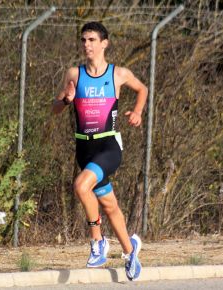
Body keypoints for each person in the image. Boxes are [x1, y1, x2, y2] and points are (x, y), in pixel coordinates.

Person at [52, 21, 148, 281]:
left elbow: (142, 89)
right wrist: (65, 100)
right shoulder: (74, 74)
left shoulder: (118, 74)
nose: (87, 45)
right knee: (109, 204)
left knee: (82, 186)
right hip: (84, 148)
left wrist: (137, 111)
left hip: (108, 146)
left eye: (92, 40)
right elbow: (55, 108)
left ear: (104, 43)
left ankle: (98, 241)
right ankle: (130, 252)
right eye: (84, 40)